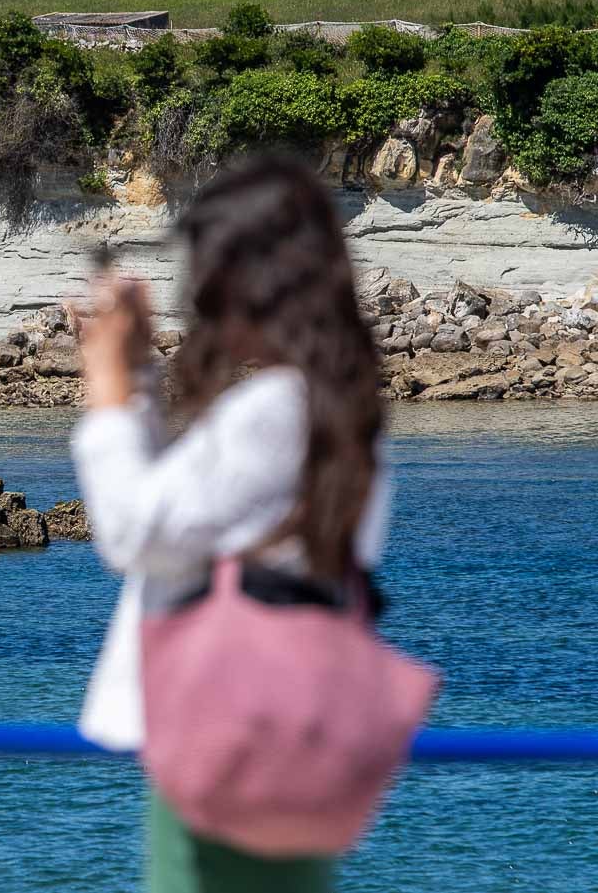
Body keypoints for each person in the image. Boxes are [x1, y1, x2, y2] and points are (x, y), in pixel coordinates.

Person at [72, 156, 392, 893]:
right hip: (279, 739)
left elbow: (132, 532)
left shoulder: (277, 412)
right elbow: (185, 519)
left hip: (227, 743)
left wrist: (107, 385)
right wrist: (139, 378)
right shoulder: (333, 407)